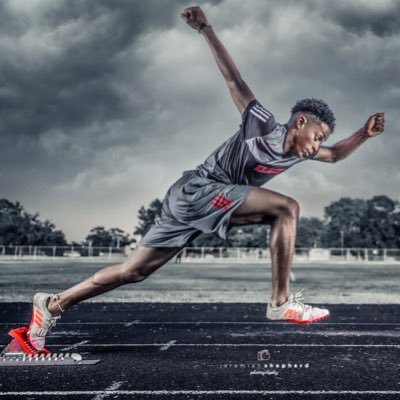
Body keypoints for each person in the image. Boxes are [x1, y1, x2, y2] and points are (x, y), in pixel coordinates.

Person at [16, 6, 385, 354]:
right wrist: (206, 29)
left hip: (195, 203)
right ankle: (279, 302)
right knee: (286, 209)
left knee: (134, 272)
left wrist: (365, 135)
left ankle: (50, 306)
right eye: (318, 136)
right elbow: (233, 79)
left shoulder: (299, 152)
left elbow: (335, 155)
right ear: (300, 122)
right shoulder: (263, 125)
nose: (319, 145)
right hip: (200, 190)